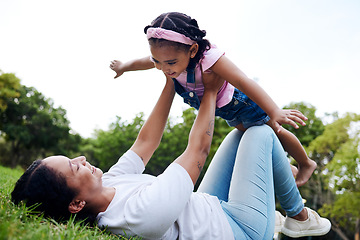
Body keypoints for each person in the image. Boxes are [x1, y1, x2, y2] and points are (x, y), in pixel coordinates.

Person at [11, 72, 330, 239]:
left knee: (241, 132)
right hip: (239, 231)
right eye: (73, 167)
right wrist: (209, 91)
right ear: (76, 204)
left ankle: (278, 195)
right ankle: (298, 217)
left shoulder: (109, 181)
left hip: (207, 207)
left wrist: (169, 82)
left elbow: (146, 142)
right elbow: (196, 154)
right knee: (260, 130)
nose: (81, 159)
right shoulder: (135, 216)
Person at [110, 12, 316, 187]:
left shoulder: (209, 58)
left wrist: (274, 110)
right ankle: (287, 167)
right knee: (255, 138)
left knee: (275, 130)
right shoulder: (166, 59)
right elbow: (141, 62)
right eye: (157, 61)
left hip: (241, 103)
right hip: (223, 110)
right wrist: (123, 67)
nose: (164, 68)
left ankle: (305, 162)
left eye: (170, 62)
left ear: (192, 50)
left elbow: (242, 80)